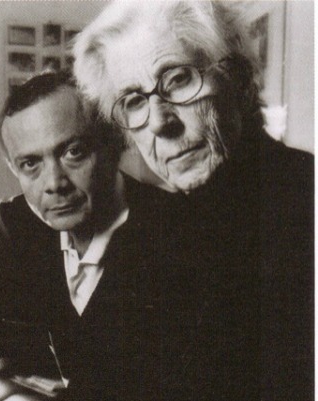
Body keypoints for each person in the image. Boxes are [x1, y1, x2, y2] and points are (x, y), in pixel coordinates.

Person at [72, 1, 313, 399]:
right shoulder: (145, 235)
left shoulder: (305, 200)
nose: (159, 122)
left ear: (240, 80)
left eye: (178, 80)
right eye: (134, 101)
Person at [0, 71, 182, 401]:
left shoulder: (180, 236)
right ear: (13, 168)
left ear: (115, 142)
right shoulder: (12, 228)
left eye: (73, 152)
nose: (54, 183)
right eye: (30, 164)